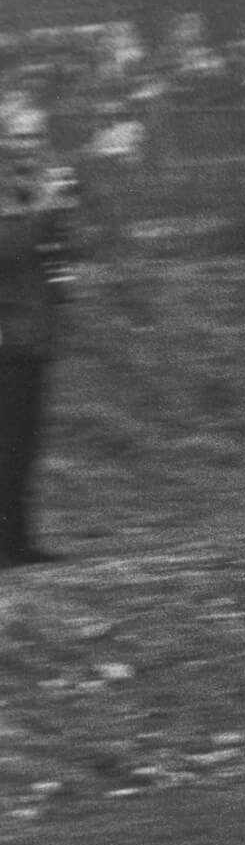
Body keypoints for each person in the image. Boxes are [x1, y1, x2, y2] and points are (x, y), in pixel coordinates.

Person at [0, 107, 77, 570]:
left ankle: (22, 541)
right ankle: (5, 545)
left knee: (28, 444)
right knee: (8, 443)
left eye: (34, 136)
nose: (27, 145)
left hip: (37, 334)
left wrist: (64, 277)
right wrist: (48, 207)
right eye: (19, 137)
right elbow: (12, 247)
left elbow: (55, 254)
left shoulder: (39, 188)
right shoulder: (7, 190)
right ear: (6, 143)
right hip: (7, 337)